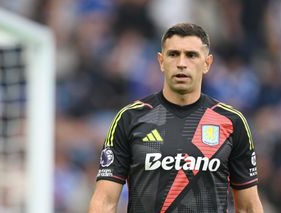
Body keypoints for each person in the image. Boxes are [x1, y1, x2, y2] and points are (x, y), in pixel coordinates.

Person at [88, 23, 263, 213]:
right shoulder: (130, 118)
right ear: (161, 61)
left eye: (191, 55)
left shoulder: (231, 122)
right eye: (173, 54)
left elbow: (248, 207)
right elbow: (105, 201)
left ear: (207, 63)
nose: (181, 63)